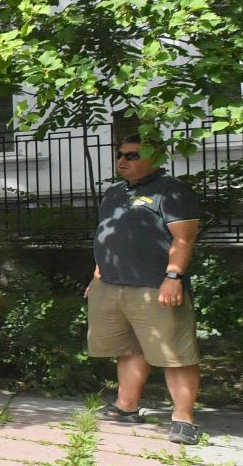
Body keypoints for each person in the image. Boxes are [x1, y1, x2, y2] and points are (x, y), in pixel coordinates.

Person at [86, 133, 203, 444]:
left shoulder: (172, 191)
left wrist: (173, 277)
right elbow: (107, 234)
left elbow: (184, 239)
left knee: (175, 353)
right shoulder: (113, 192)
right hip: (111, 284)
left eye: (132, 155)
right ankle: (127, 406)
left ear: (155, 158)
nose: (122, 160)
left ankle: (183, 418)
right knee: (128, 348)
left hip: (155, 286)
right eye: (120, 154)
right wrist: (97, 274)